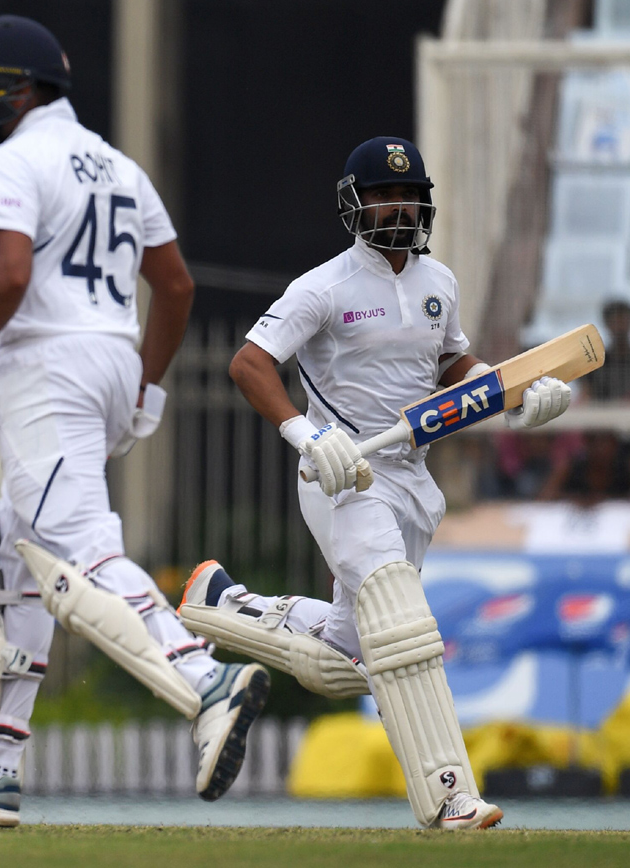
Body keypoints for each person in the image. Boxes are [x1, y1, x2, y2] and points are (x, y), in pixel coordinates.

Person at [0, 15, 270, 827]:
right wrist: (143, 385)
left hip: (49, 368)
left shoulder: (14, 159)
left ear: (17, 87)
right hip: (110, 360)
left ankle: (206, 679)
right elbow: (173, 287)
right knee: (13, 550)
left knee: (77, 549)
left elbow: (7, 278)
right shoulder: (118, 164)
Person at [178, 137, 574, 830]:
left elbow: (454, 365)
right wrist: (307, 434)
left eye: (408, 194)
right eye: (383, 194)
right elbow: (249, 363)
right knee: (404, 627)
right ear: (353, 204)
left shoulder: (438, 284)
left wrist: (517, 393)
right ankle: (448, 796)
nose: (397, 206)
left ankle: (222, 604)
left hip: (411, 478)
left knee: (348, 655)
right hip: (342, 475)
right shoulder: (324, 286)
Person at [589, 299, 630, 400]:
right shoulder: (595, 364)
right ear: (607, 324)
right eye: (615, 322)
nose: (620, 327)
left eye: (623, 321)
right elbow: (585, 397)